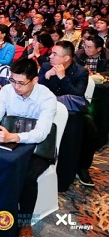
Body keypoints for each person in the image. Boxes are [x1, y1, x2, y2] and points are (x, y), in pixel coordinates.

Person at [0, 59, 57, 237]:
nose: (16, 86)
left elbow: (41, 133)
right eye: (13, 81)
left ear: (35, 80)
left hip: (36, 147)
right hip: (8, 139)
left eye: (21, 83)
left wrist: (14, 137)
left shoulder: (47, 98)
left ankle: (24, 223)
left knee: (27, 176)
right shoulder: (7, 90)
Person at [38, 41, 97, 187]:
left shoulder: (80, 72)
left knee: (89, 127)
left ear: (66, 58)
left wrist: (62, 78)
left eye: (55, 54)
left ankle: (82, 167)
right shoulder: (46, 67)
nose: (50, 57)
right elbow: (36, 90)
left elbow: (78, 95)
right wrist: (46, 76)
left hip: (71, 110)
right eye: (51, 53)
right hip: (47, 107)